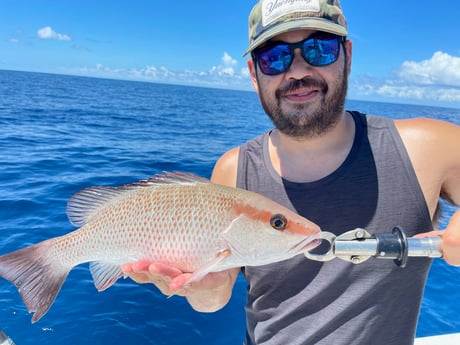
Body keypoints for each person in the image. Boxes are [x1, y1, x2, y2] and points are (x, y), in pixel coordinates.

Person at [122, 0, 460, 344]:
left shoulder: (427, 147)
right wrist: (199, 288)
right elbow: (213, 299)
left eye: (320, 49)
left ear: (347, 56)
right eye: (274, 58)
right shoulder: (233, 168)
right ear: (255, 75)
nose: (298, 71)